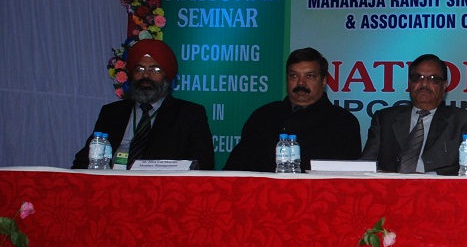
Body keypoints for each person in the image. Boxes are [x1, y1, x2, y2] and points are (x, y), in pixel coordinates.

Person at [72, 39, 215, 169]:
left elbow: (202, 164)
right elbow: (84, 160)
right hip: (112, 184)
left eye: (155, 69)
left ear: (167, 75)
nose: (146, 75)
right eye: (139, 69)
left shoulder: (189, 115)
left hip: (162, 186)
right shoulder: (112, 113)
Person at [224, 47, 361, 172]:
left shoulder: (343, 122)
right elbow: (234, 170)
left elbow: (345, 181)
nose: (301, 83)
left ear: (324, 80)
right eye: (294, 76)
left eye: (309, 76)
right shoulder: (263, 117)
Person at [361, 54, 467, 175]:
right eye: (418, 78)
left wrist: (427, 178)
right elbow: (365, 166)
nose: (424, 84)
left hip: (439, 187)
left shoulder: (462, 120)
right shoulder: (385, 118)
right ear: (410, 83)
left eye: (433, 79)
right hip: (390, 187)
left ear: (444, 86)